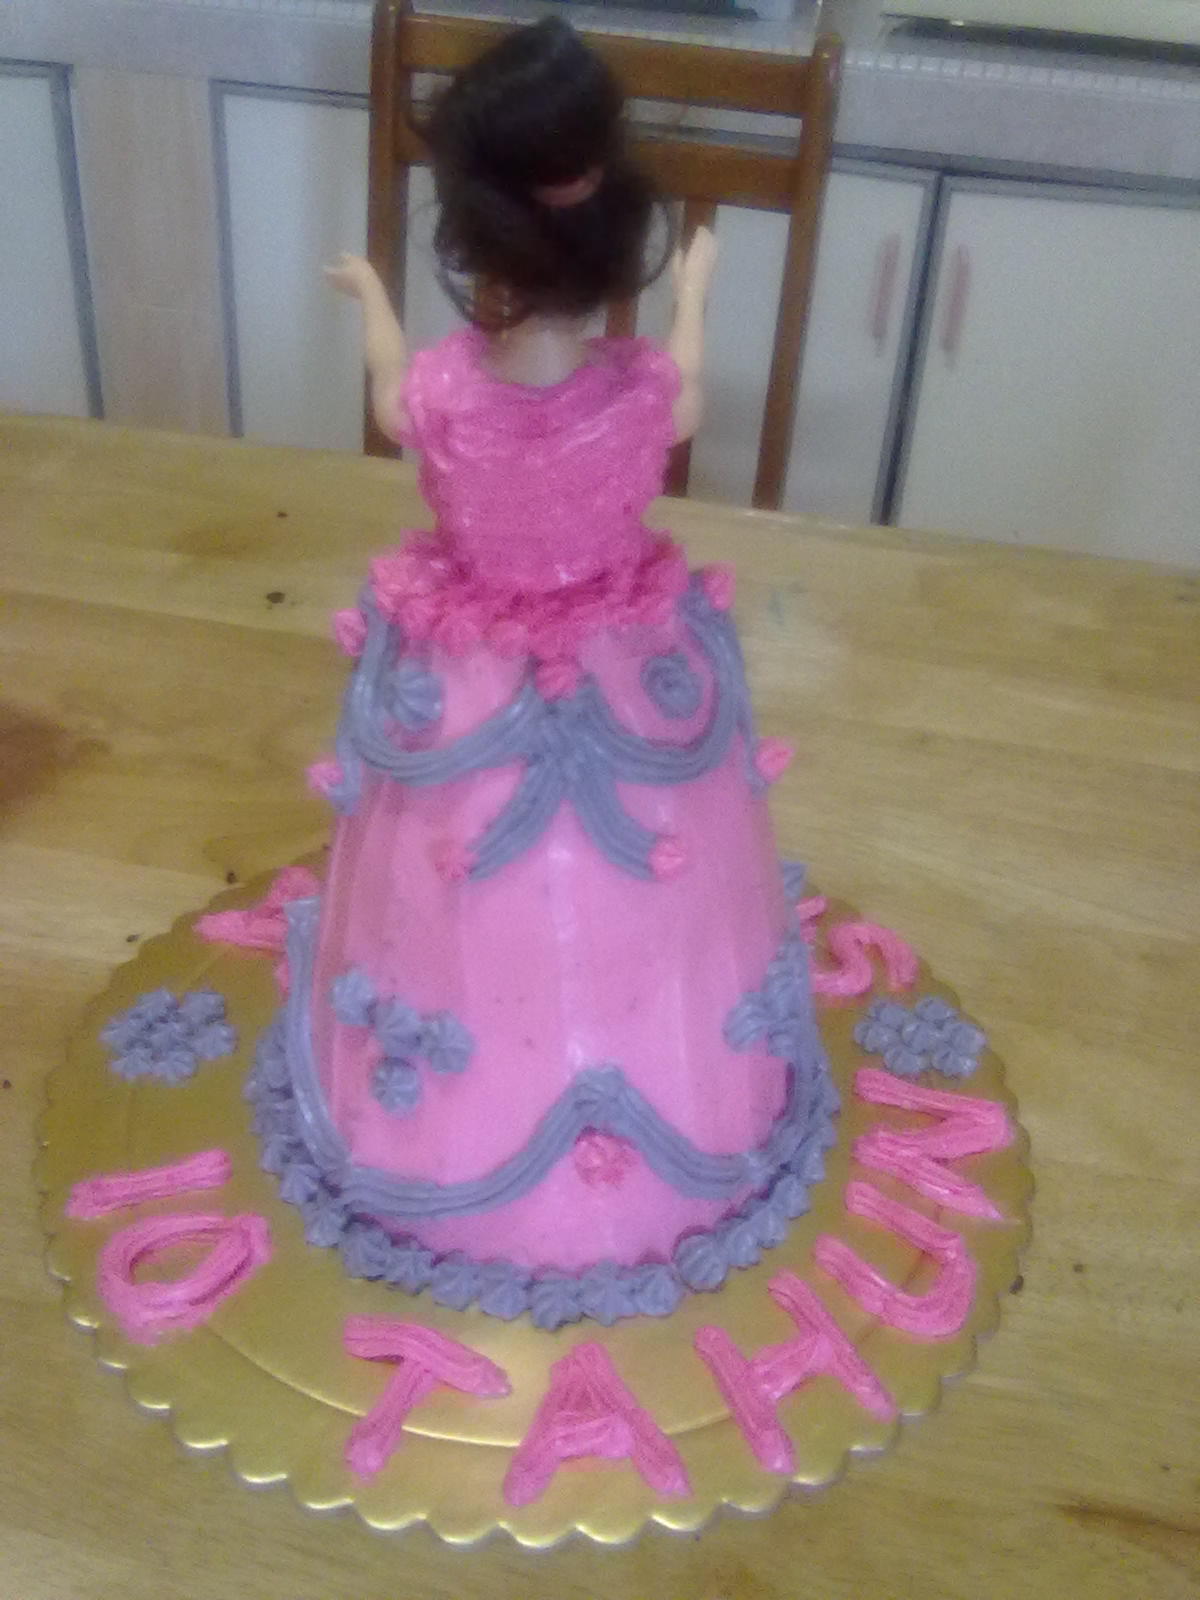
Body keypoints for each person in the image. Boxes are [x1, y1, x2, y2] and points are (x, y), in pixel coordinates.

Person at [281, 16, 829, 1326]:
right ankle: (629, 1073)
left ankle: (469, 1102)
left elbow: (387, 395)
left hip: (470, 689)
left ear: (474, 249)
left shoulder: (444, 397)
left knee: (467, 899)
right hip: (627, 672)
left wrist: (371, 301)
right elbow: (687, 387)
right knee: (628, 896)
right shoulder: (639, 394)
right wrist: (696, 293)